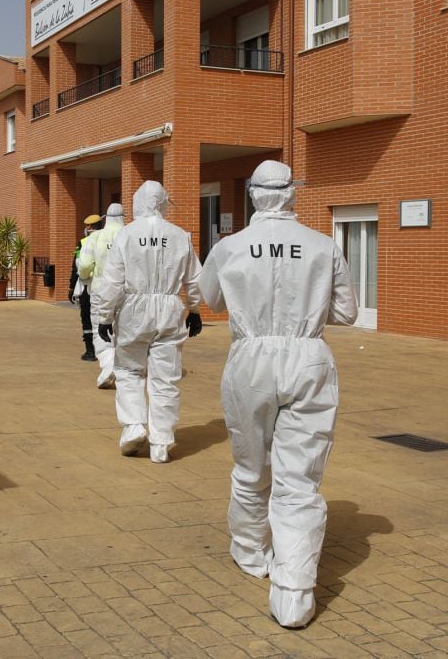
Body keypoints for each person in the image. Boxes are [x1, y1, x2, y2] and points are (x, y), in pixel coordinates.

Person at [198, 160, 358, 628]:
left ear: (252, 194)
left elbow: (210, 299)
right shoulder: (322, 245)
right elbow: (346, 313)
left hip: (250, 359)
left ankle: (251, 553)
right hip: (309, 359)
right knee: (300, 479)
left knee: (251, 467)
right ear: (291, 193)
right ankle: (294, 591)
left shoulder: (230, 247)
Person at [92, 181, 203, 464]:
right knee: (165, 378)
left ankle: (134, 426)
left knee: (128, 370)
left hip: (133, 310)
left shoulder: (128, 235)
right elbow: (194, 278)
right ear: (164, 202)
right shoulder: (179, 236)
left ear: (138, 202)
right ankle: (161, 442)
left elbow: (113, 280)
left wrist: (105, 315)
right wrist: (195, 309)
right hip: (169, 309)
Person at [77, 203, 125, 389]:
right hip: (127, 293)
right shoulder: (131, 235)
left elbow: (85, 265)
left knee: (101, 331)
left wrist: (83, 277)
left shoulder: (94, 238)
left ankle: (108, 367)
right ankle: (125, 369)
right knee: (123, 331)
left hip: (100, 292)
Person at [68, 214, 102, 361]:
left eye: (88, 226)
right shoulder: (108, 240)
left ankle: (90, 350)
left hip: (87, 286)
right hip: (105, 286)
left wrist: (71, 288)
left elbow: (77, 266)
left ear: (89, 227)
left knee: (87, 317)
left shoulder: (83, 243)